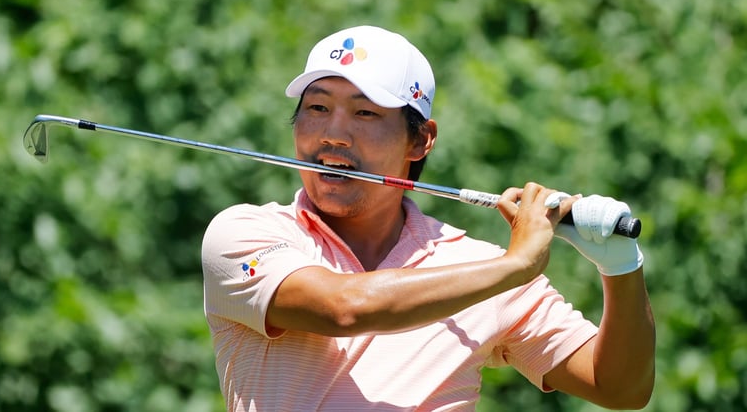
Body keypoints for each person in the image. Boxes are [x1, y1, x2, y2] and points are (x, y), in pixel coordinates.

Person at [201, 25, 655, 411]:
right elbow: (343, 308)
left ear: (420, 141)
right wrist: (514, 267)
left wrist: (620, 268)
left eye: (364, 112)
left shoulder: (481, 268)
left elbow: (620, 388)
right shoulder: (244, 233)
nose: (333, 134)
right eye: (317, 108)